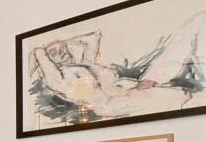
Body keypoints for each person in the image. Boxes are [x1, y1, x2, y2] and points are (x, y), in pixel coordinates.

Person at [29, 11, 205, 119]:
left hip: (136, 87)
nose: (61, 52)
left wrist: (63, 40)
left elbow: (93, 37)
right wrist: (41, 51)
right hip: (115, 103)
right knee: (184, 98)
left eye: (62, 48)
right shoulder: (58, 80)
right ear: (48, 60)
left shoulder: (85, 62)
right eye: (54, 53)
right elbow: (39, 54)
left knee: (194, 25)